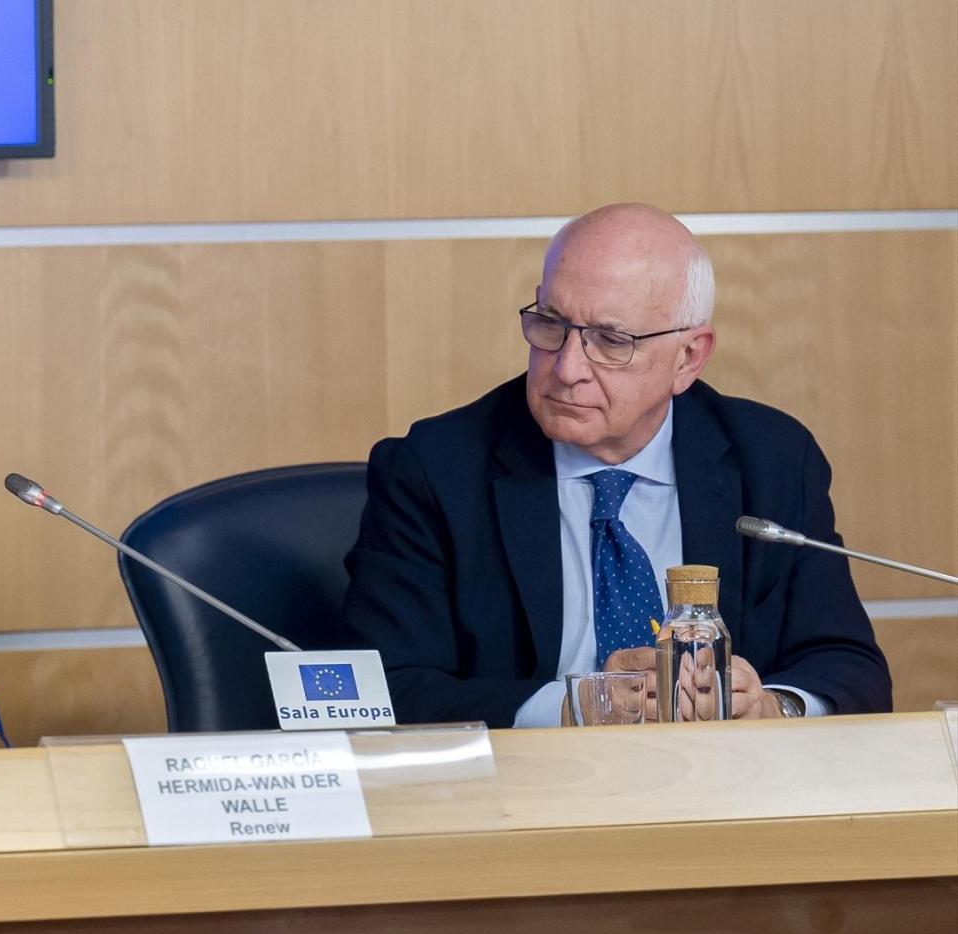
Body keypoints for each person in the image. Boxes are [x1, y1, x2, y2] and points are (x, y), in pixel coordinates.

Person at [342, 202, 891, 727]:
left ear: (688, 358)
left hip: (719, 792)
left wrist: (777, 707)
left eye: (611, 340)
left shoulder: (771, 459)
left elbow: (851, 670)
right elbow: (383, 691)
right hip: (529, 796)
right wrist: (574, 704)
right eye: (550, 324)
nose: (566, 368)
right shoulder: (436, 469)